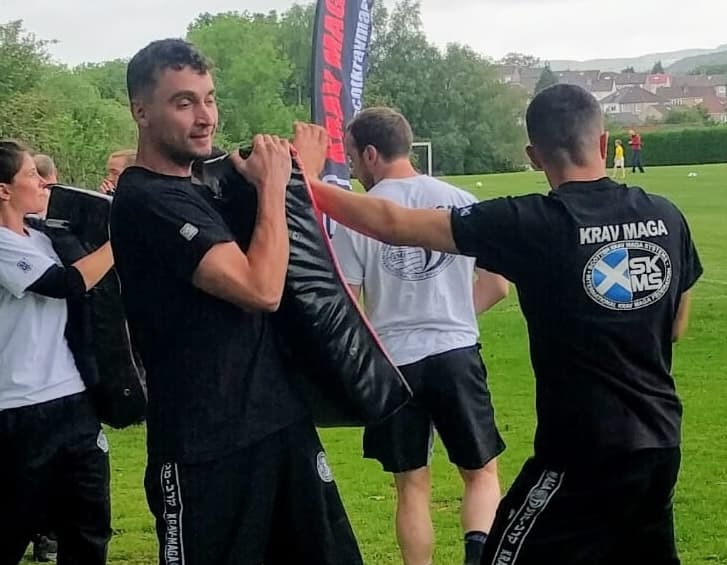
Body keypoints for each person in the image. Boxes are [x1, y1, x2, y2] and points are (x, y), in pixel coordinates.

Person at [297, 83, 702, 564]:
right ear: (602, 141)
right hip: (661, 444)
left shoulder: (530, 223)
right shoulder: (666, 216)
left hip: (579, 454)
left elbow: (393, 223)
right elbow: (676, 325)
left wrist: (304, 180)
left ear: (534, 156)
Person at [109, 39, 362, 565]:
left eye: (209, 99)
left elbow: (283, 252)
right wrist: (274, 188)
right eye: (184, 102)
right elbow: (260, 289)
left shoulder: (200, 189)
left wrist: (293, 178)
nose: (205, 117)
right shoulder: (147, 199)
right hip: (205, 446)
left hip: (278, 422)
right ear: (141, 111)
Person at [324, 109, 509, 565]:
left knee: (411, 485)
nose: (353, 167)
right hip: (455, 352)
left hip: (393, 363)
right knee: (481, 474)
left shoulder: (358, 217)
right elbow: (498, 286)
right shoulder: (460, 201)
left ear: (371, 154)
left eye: (352, 157)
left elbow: (349, 304)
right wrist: (452, 312)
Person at [0, 140, 114, 565]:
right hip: (18, 408)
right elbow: (65, 284)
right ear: (4, 190)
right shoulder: (2, 244)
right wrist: (120, 240)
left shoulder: (44, 237)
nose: (43, 182)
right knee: (13, 524)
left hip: (73, 400)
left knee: (89, 527)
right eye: (31, 174)